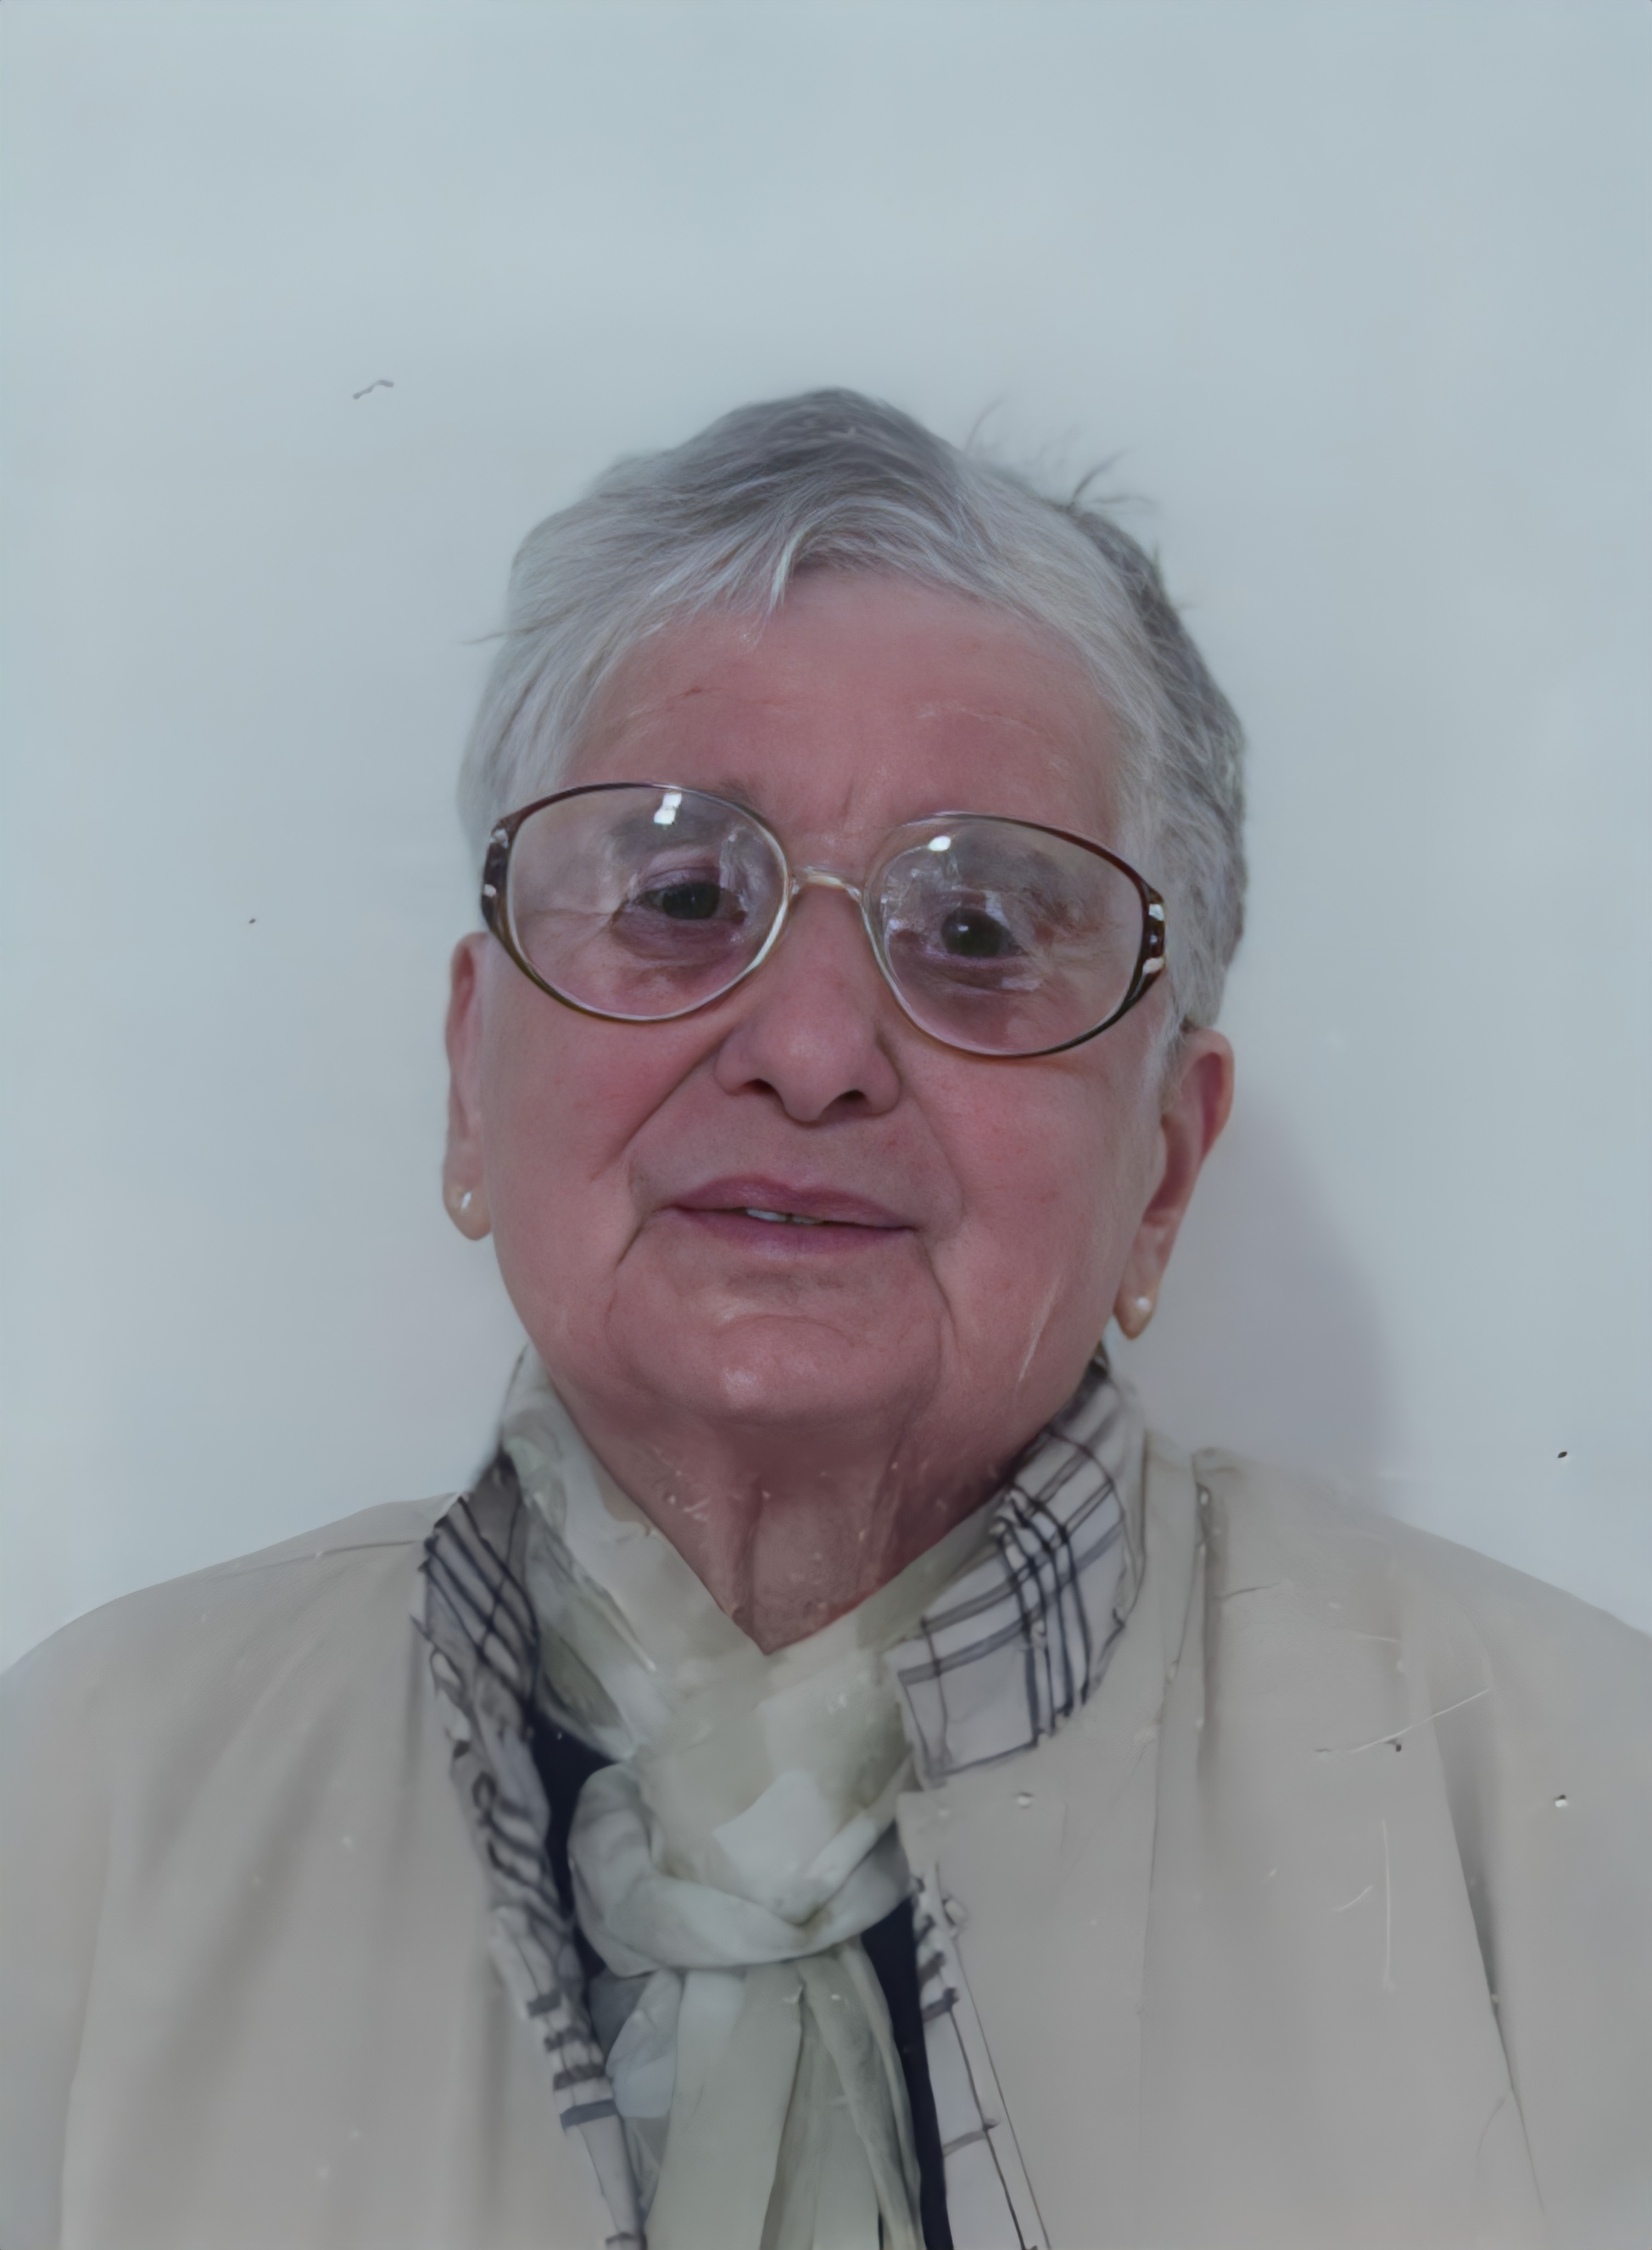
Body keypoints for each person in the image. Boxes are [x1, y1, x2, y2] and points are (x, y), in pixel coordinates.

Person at [3, 392, 1647, 2250]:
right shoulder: (79, 1807)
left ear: (1165, 1169)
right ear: (474, 1078)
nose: (807, 1049)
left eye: (980, 935)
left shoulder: (1581, 1814)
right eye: (681, 894)